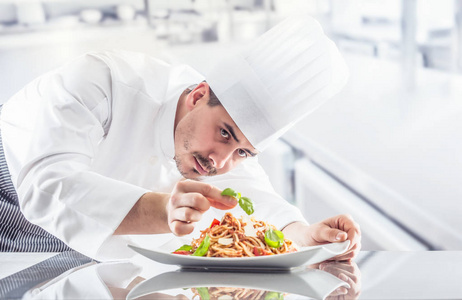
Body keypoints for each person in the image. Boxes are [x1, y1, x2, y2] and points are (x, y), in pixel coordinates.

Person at [0, 15, 360, 260]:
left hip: (89, 235)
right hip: (11, 189)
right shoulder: (104, 80)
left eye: (243, 152)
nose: (220, 162)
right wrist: (161, 210)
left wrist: (303, 235)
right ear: (198, 94)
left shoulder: (227, 155)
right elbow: (46, 184)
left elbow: (257, 201)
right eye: (224, 133)